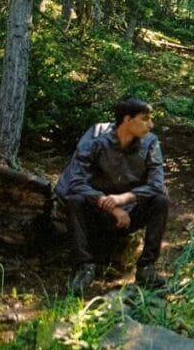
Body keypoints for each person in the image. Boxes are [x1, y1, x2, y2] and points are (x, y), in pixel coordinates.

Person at [55, 96, 170, 294]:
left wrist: (124, 199)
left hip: (129, 213)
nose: (151, 124)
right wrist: (107, 203)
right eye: (145, 118)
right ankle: (83, 267)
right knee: (74, 199)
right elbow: (75, 181)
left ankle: (146, 267)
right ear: (127, 119)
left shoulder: (150, 143)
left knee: (161, 201)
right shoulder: (96, 137)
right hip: (95, 211)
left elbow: (157, 185)